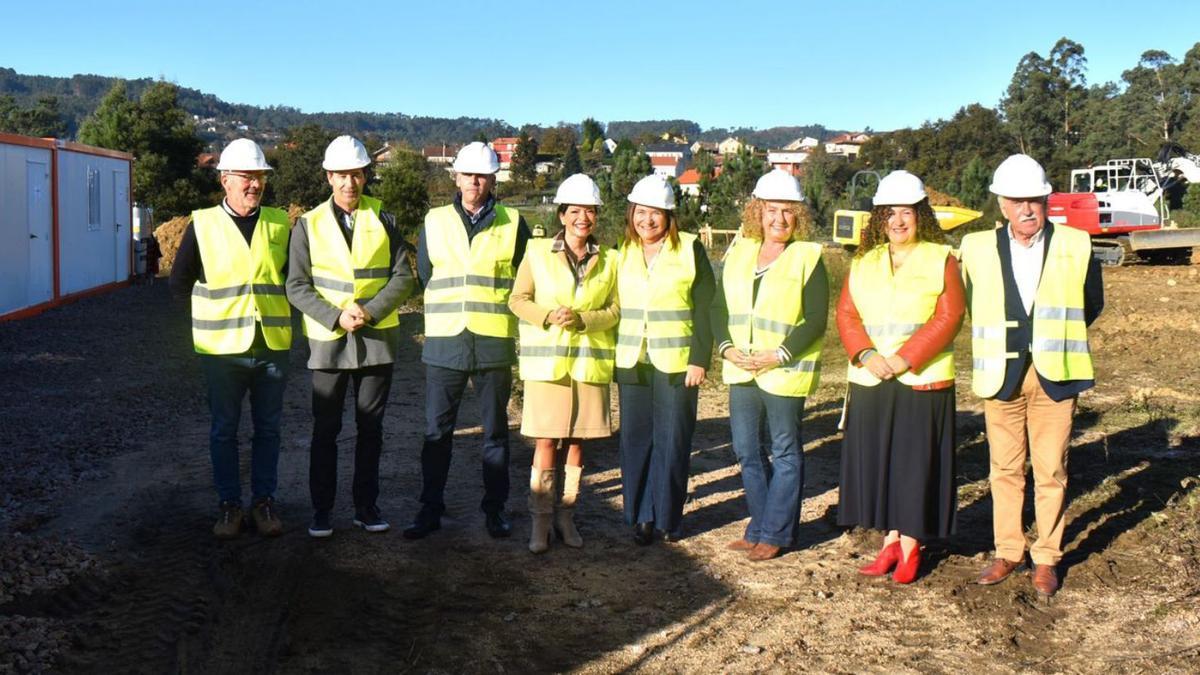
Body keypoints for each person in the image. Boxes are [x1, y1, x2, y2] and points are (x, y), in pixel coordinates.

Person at [961, 154, 1103, 598]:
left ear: (1046, 200)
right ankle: (1007, 551)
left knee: (1051, 469)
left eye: (1035, 200)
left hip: (1055, 375)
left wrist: (1050, 341)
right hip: (1000, 374)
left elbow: (1090, 304)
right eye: (1017, 201)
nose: (1027, 210)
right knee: (1003, 469)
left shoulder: (1077, 244)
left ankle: (1046, 558)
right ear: (1001, 205)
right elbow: (969, 301)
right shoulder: (976, 247)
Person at [836, 170, 965, 584]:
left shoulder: (940, 257)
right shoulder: (863, 259)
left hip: (920, 379)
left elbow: (950, 316)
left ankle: (911, 545)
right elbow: (847, 314)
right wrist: (867, 353)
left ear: (920, 215)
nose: (897, 221)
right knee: (883, 463)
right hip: (873, 377)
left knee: (914, 465)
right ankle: (889, 540)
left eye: (906, 212)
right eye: (889, 213)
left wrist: (905, 358)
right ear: (878, 218)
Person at [286, 135, 415, 538]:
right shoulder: (307, 225)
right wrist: (335, 316)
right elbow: (297, 285)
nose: (349, 183)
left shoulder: (384, 219)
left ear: (365, 175)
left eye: (356, 174)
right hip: (329, 343)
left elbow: (403, 277)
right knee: (325, 432)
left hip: (376, 342)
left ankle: (366, 506)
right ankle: (322, 510)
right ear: (328, 177)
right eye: (341, 175)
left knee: (370, 430)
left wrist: (371, 311)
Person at [406, 142, 532, 540]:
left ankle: (495, 510)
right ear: (455, 177)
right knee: (436, 433)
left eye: (482, 175)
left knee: (496, 433)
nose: (474, 182)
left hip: (493, 340)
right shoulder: (435, 220)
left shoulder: (513, 222)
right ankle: (430, 508)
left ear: (493, 179)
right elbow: (427, 275)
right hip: (445, 342)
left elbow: (526, 279)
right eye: (468, 174)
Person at [168, 139, 291, 539]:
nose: (253, 185)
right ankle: (228, 505)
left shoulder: (279, 223)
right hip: (221, 352)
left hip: (270, 345)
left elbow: (293, 280)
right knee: (224, 430)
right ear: (225, 181)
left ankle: (263, 502)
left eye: (259, 178)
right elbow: (179, 284)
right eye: (245, 177)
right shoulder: (202, 225)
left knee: (269, 430)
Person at [712, 169, 828, 561]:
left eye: (788, 211)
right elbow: (719, 306)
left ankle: (776, 533)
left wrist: (778, 354)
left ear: (799, 217)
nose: (779, 219)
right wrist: (726, 348)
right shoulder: (740, 251)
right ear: (756, 212)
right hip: (742, 367)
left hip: (782, 370)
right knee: (746, 449)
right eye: (771, 210)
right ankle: (760, 525)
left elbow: (815, 319)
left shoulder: (807, 257)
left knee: (785, 451)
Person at [508, 174, 619, 553]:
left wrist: (586, 320)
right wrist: (546, 316)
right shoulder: (537, 253)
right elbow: (517, 299)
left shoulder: (610, 259)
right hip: (548, 368)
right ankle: (539, 522)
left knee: (577, 443)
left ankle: (566, 517)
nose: (582, 218)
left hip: (587, 366)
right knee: (545, 441)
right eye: (575, 211)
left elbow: (615, 309)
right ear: (562, 214)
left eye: (589, 211)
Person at [615, 174, 715, 545]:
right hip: (632, 360)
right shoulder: (620, 251)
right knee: (635, 441)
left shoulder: (689, 249)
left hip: (677, 362)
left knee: (672, 440)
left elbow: (707, 307)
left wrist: (699, 357)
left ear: (669, 216)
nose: (647, 221)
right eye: (641, 213)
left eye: (656, 213)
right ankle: (641, 516)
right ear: (631, 214)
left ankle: (668, 518)